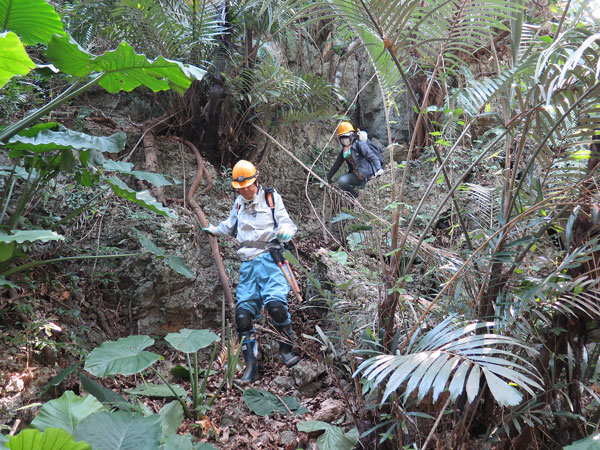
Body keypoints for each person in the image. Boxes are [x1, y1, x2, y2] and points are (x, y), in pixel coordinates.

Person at [201, 160, 300, 385]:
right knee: (243, 316)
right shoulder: (238, 203)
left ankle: (286, 348)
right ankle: (250, 367)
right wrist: (214, 230)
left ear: (255, 181)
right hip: (247, 265)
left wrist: (285, 232)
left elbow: (287, 223)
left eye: (247, 185)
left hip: (270, 260)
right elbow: (229, 225)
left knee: (276, 307)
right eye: (240, 187)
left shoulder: (271, 199)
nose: (245, 190)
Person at [326, 121, 385, 197]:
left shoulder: (359, 145)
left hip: (367, 176)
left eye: (346, 137)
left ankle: (360, 200)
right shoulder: (344, 151)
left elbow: (372, 157)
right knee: (342, 181)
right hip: (356, 176)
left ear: (351, 136)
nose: (344, 140)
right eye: (342, 138)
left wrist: (378, 169)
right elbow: (336, 165)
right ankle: (355, 197)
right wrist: (327, 178)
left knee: (366, 195)